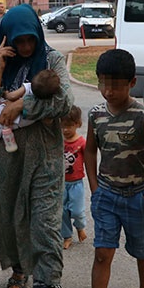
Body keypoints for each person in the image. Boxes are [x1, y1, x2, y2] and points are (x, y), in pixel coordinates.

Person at [0, 4, 74, 288]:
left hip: (44, 157)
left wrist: (20, 104)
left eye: (31, 40)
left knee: (46, 223)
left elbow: (64, 101)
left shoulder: (52, 60)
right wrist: (0, 68)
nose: (26, 47)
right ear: (8, 38)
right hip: (6, 159)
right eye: (20, 41)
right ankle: (19, 269)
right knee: (9, 218)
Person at [73, 49, 144, 288]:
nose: (107, 90)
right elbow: (89, 151)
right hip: (106, 196)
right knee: (102, 253)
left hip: (137, 196)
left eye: (115, 84)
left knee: (141, 250)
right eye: (103, 83)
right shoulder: (96, 115)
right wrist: (94, 188)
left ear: (131, 83)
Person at [0, 69, 60, 152]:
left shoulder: (28, 86)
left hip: (2, 108)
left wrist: (5, 94)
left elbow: (12, 96)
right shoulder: (43, 105)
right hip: (11, 121)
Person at [61, 105, 87, 250]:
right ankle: (67, 235)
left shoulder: (81, 142)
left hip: (76, 183)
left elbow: (90, 158)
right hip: (62, 183)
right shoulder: (59, 141)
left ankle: (80, 226)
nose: (66, 130)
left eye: (69, 126)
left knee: (77, 210)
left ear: (77, 124)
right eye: (63, 126)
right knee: (62, 210)